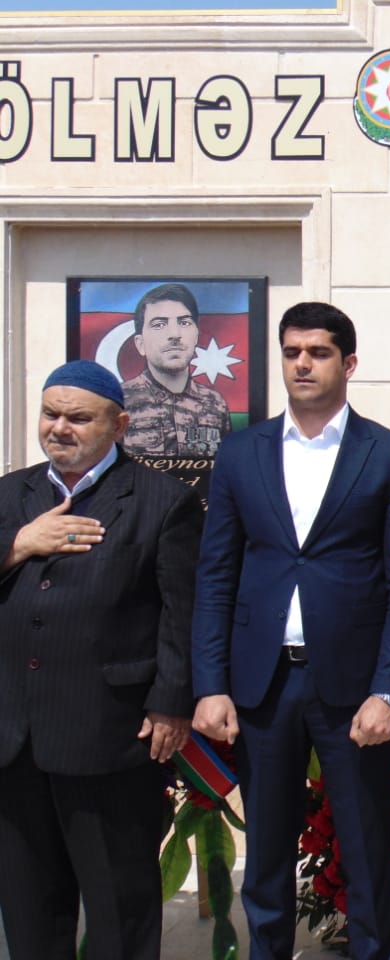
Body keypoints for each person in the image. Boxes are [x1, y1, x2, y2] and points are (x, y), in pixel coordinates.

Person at [191, 302, 390, 960]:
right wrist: (210, 685)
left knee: (367, 852)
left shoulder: (389, 455)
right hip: (262, 685)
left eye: (318, 352)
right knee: (266, 858)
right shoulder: (241, 453)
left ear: (348, 364)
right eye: (292, 351)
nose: (302, 363)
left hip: (353, 690)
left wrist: (389, 691)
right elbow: (216, 576)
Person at [0, 360, 202, 960]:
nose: (59, 428)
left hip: (109, 738)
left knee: (119, 911)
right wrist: (18, 545)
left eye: (78, 418)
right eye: (50, 414)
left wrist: (171, 704)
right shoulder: (11, 494)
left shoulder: (163, 500)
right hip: (15, 739)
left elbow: (182, 613)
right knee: (30, 910)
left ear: (119, 425)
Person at [122, 282, 233, 457]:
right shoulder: (119, 402)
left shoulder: (215, 404)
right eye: (159, 324)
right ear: (140, 344)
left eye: (184, 322)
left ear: (196, 336)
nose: (174, 334)